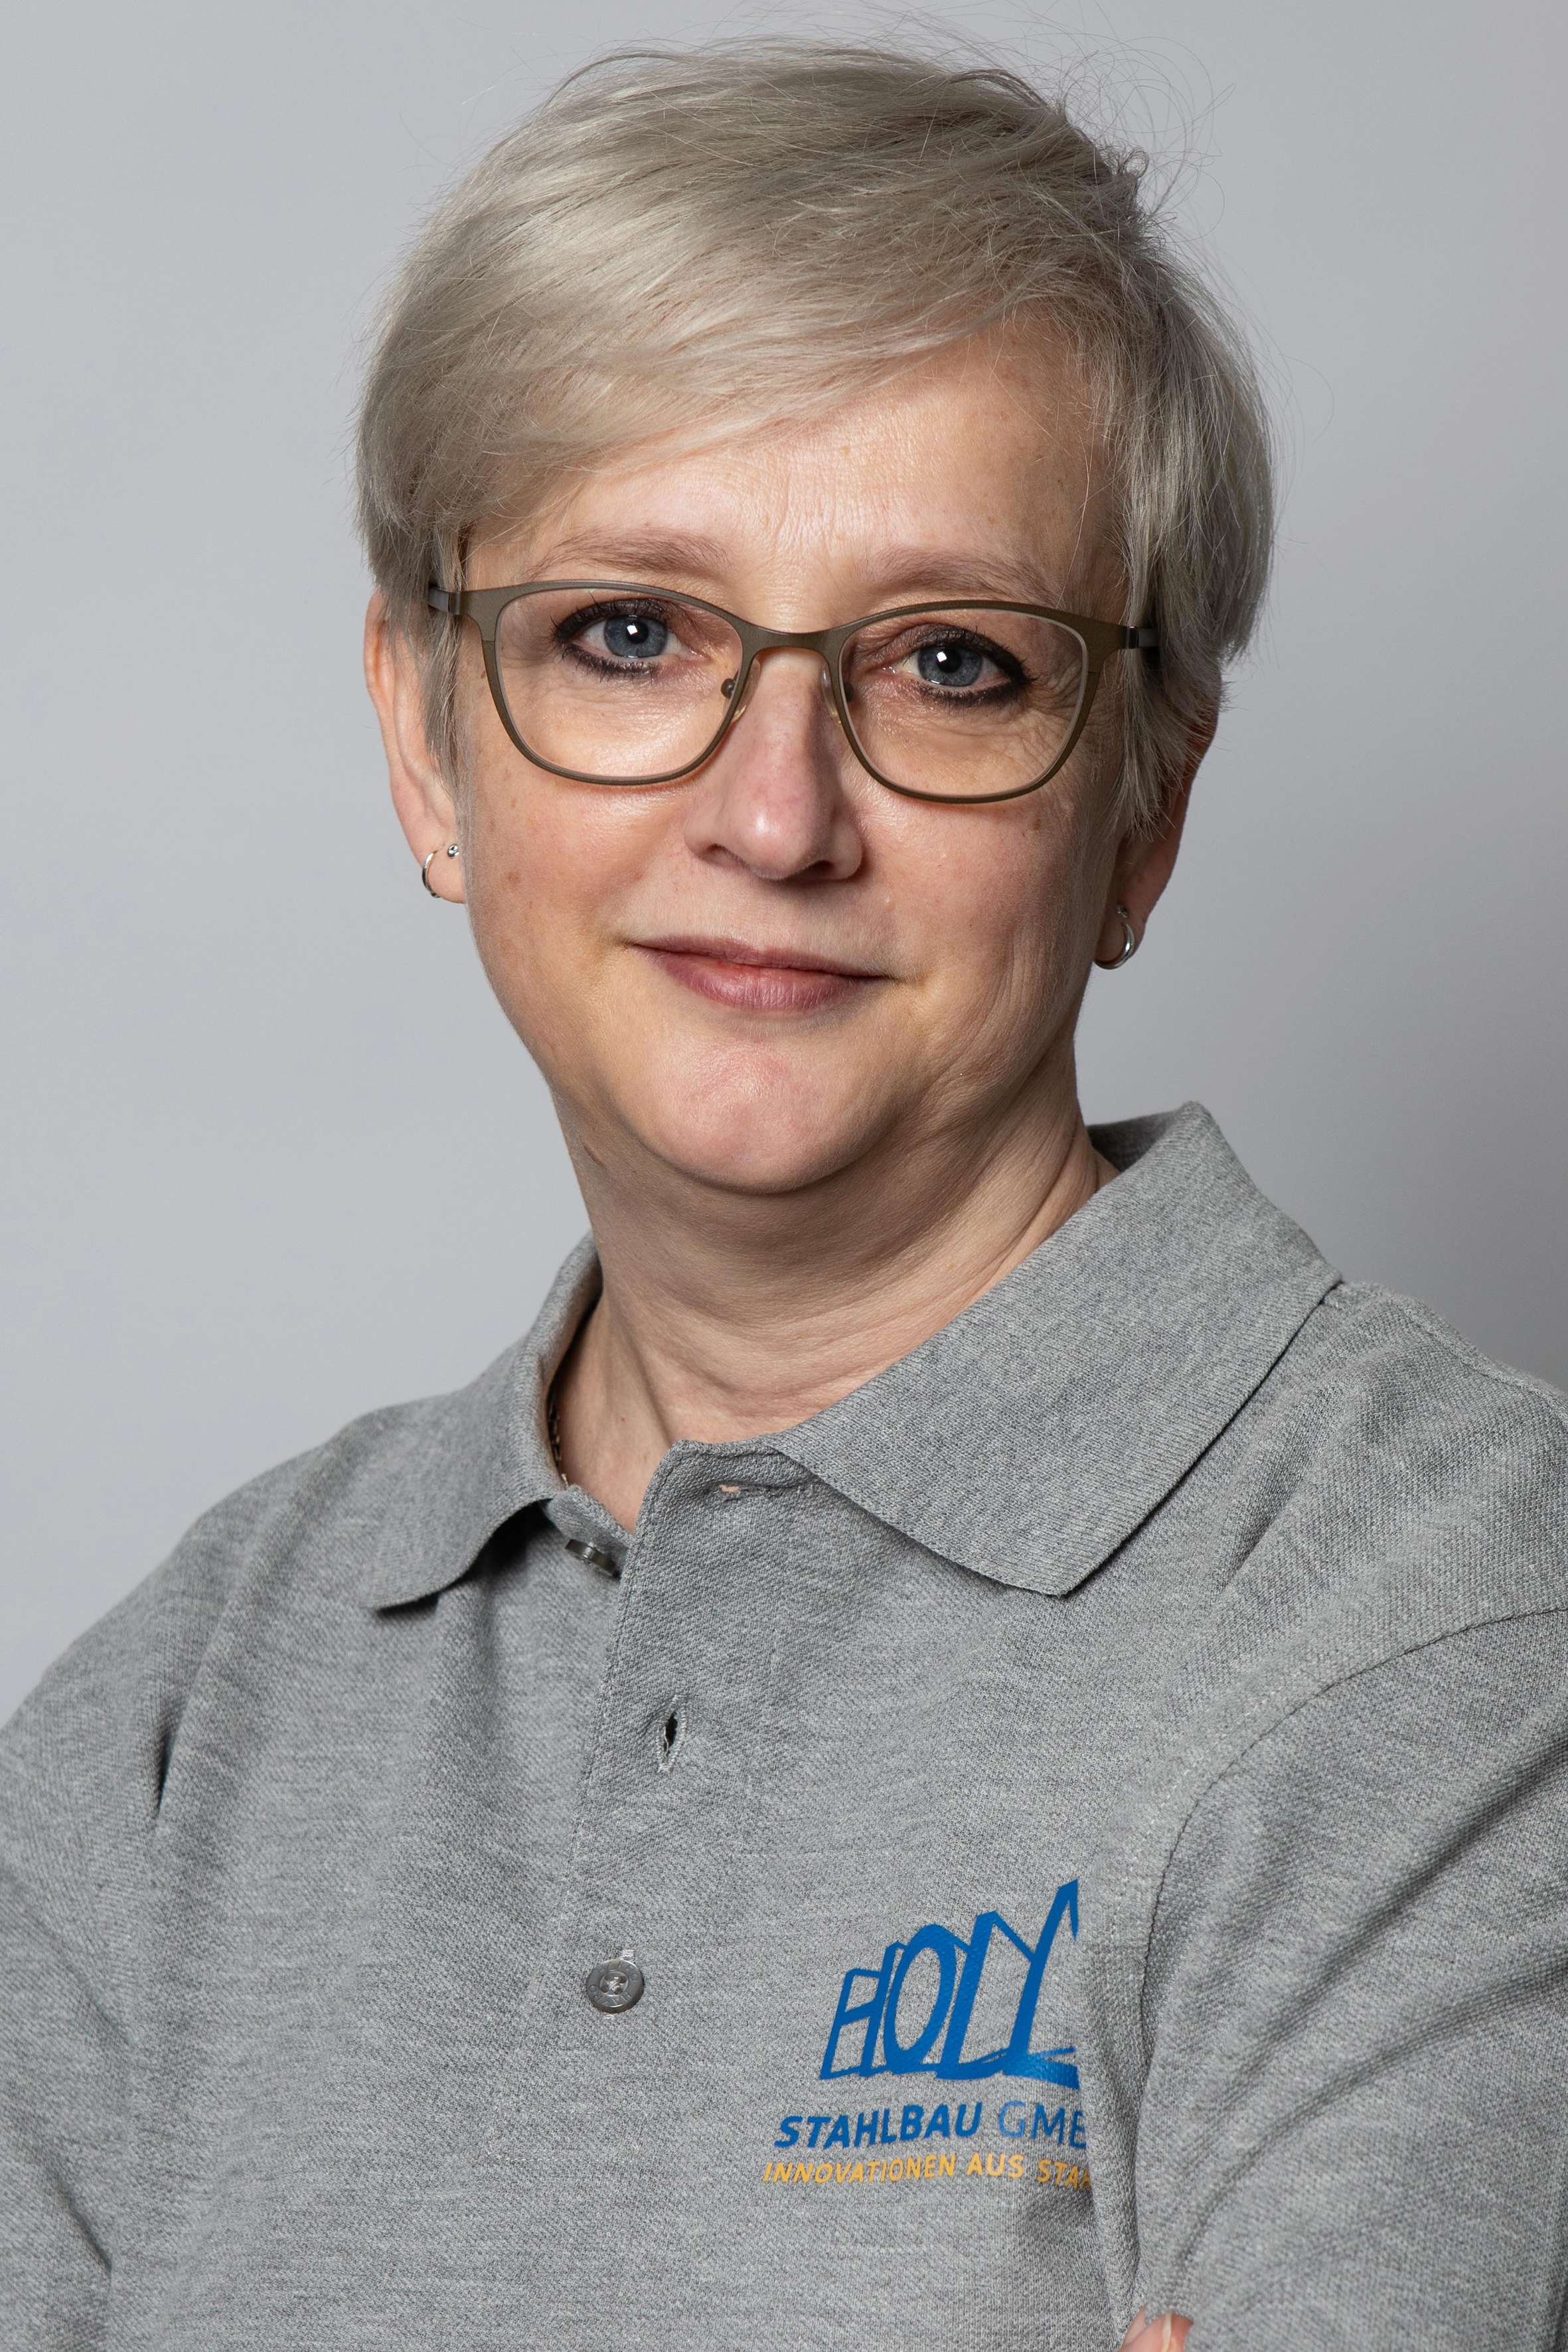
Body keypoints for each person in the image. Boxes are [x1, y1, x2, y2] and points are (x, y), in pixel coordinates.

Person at [3, 40, 1565, 2352]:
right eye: (628, 631)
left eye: (950, 664)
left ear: (1137, 809)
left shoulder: (1457, 1633)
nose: (774, 814)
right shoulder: (179, 1713)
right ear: (428, 745)